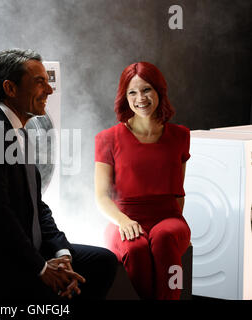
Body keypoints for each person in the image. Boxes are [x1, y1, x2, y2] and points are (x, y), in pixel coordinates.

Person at [0, 49, 117, 300]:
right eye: (39, 82)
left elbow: (37, 206)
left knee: (102, 261)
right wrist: (41, 268)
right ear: (10, 88)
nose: (49, 91)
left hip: (26, 251)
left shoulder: (21, 132)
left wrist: (62, 254)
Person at [94, 61, 191, 300]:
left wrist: (173, 220)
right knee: (135, 248)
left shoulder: (180, 135)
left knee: (166, 236)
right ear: (124, 97)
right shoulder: (107, 138)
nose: (141, 98)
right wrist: (123, 220)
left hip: (168, 219)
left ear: (159, 90)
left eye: (147, 89)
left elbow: (179, 192)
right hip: (124, 219)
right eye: (132, 92)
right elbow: (101, 196)